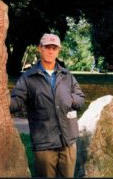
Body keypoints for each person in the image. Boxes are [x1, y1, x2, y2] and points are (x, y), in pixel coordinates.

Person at [10, 33, 85, 178]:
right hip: (44, 142)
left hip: (67, 141)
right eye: (47, 47)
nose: (50, 51)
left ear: (58, 50)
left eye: (54, 48)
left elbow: (80, 98)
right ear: (40, 48)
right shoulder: (28, 78)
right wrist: (1, 101)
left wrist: (70, 99)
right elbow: (17, 101)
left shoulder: (66, 75)